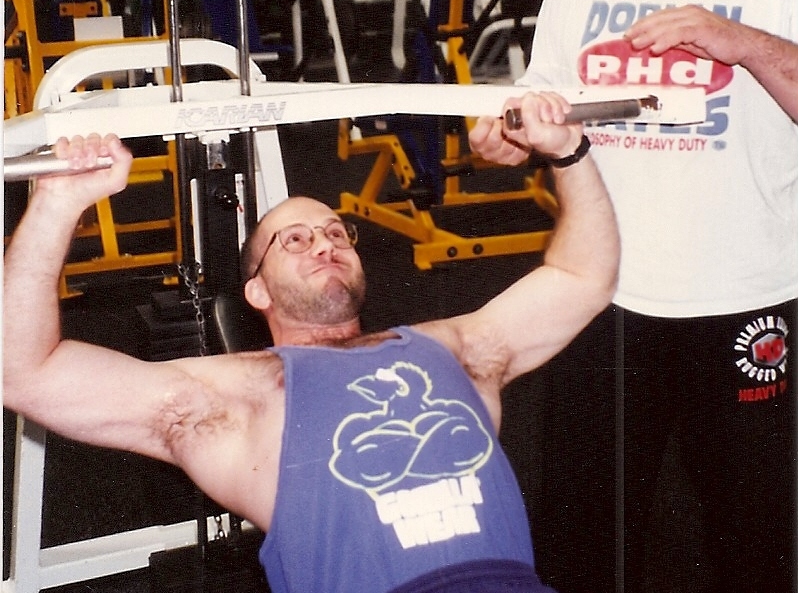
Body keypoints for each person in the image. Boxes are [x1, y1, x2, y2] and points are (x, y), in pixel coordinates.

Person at [3, 91, 620, 593]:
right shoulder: (234, 398)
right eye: (293, 241)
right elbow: (24, 371)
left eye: (334, 232)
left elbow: (582, 279)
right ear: (258, 293)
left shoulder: (453, 348)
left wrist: (570, 152)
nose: (324, 243)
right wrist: (59, 203)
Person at [469, 0, 798, 592]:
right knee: (586, 533)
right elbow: (542, 98)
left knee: (752, 541)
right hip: (601, 296)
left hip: (746, 296)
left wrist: (745, 44)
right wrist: (508, 133)